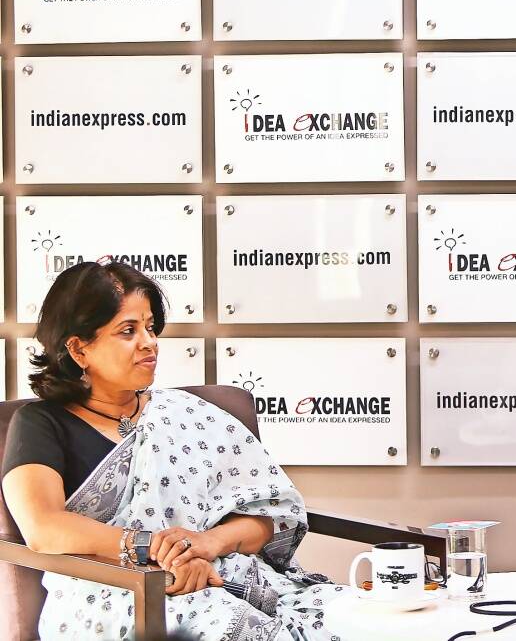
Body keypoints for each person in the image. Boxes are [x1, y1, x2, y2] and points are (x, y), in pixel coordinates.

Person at [2, 261, 347, 640]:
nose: (149, 342)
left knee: (358, 619)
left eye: (150, 328)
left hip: (219, 574)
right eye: (128, 331)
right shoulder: (41, 423)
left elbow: (269, 518)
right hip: (110, 593)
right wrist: (154, 551)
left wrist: (204, 544)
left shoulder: (188, 415)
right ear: (78, 349)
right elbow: (44, 528)